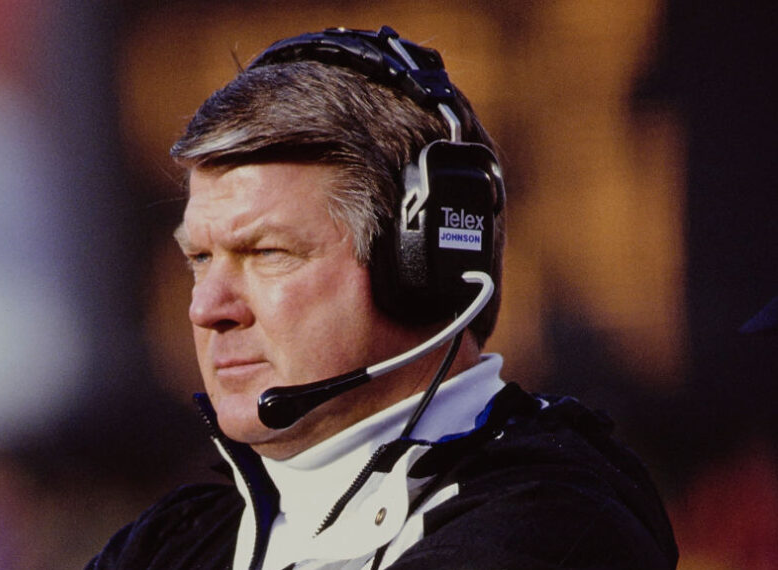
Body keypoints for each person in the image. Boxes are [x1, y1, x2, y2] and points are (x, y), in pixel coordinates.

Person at [85, 26, 678, 570]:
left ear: (420, 268)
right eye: (201, 259)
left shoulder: (553, 527)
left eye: (267, 254)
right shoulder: (172, 546)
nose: (206, 308)